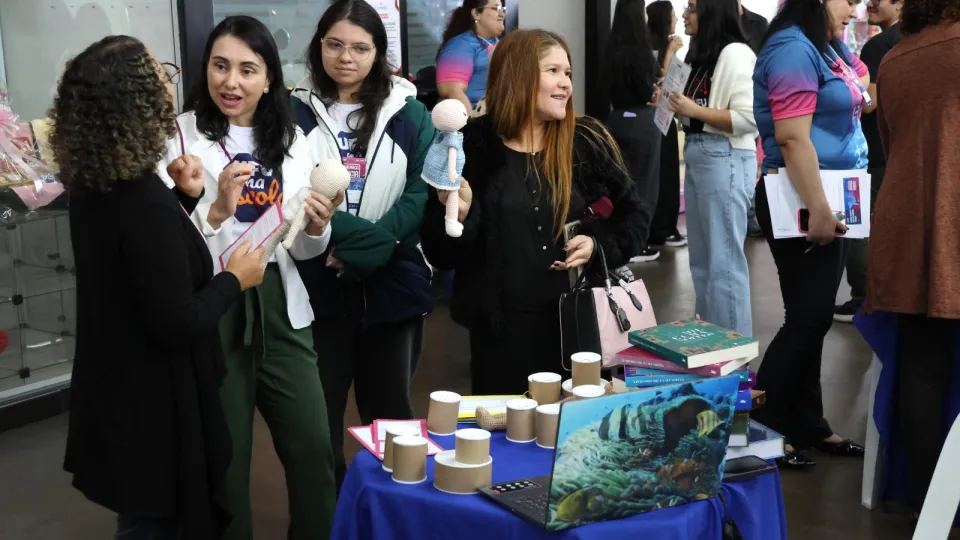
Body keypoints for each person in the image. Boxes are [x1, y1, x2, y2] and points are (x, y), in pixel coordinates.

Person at [58, 35, 265, 539]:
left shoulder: (96, 182)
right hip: (153, 407)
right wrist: (233, 279)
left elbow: (143, 266)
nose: (170, 82)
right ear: (136, 100)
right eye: (160, 75)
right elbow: (175, 319)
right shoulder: (139, 201)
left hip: (118, 390)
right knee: (154, 525)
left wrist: (186, 200)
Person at [158, 16, 340, 539]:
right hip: (212, 304)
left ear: (269, 79)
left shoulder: (291, 140)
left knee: (312, 448)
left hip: (282, 304)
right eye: (220, 66)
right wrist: (213, 212)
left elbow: (305, 246)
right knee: (226, 458)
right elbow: (165, 243)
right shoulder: (179, 136)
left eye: (247, 69)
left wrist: (319, 228)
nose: (230, 82)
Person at [420, 29, 648, 395]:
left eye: (568, 73)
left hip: (581, 327)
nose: (565, 84)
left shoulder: (586, 141)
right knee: (508, 439)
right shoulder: (471, 146)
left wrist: (597, 244)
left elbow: (635, 217)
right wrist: (457, 218)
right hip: (502, 336)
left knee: (578, 441)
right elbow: (441, 253)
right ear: (518, 74)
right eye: (553, 71)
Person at [290, 0, 436, 489]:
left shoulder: (411, 112)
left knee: (392, 418)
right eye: (334, 44)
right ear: (319, 46)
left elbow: (421, 193)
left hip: (392, 284)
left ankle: (399, 514)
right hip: (315, 284)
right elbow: (292, 195)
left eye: (360, 47)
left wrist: (372, 243)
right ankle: (332, 519)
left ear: (378, 53)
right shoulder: (291, 112)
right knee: (319, 419)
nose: (345, 57)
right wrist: (347, 238)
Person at [752, 0, 869, 469]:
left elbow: (867, 93)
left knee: (813, 316)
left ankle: (808, 423)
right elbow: (792, 138)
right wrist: (818, 207)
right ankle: (760, 429)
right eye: (846, 0)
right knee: (808, 317)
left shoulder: (827, 47)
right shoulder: (791, 50)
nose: (855, 6)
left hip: (830, 195)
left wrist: (842, 49)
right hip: (801, 199)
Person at [864, 0, 960, 514]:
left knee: (922, 367)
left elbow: (891, 143)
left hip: (908, 231)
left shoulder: (896, 60)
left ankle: (931, 503)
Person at [667, 0, 757, 337]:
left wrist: (693, 110)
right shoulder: (698, 56)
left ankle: (733, 357)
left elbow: (748, 119)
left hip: (725, 156)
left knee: (725, 265)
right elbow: (695, 112)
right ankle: (712, 345)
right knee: (703, 264)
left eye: (691, 8)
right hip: (701, 155)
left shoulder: (735, 54)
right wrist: (675, 106)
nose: (686, 15)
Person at [833, 0, 901, 323]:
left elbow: (869, 102)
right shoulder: (915, 41)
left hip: (872, 150)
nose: (868, 3)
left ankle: (862, 296)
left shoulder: (878, 45)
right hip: (896, 150)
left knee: (858, 225)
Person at [601, 0, 664, 264]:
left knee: (619, 185)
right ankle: (637, 244)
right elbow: (646, 92)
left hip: (615, 120)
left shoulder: (611, 47)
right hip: (641, 121)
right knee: (645, 186)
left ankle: (618, 241)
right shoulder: (641, 51)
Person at [647, 0, 687, 248]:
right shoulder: (654, 48)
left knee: (667, 173)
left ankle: (664, 226)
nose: (678, 18)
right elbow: (661, 81)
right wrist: (671, 54)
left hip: (666, 117)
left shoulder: (658, 45)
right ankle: (662, 227)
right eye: (673, 14)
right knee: (663, 174)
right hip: (658, 118)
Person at [436, 0, 506, 113]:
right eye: (495, 9)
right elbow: (452, 91)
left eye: (502, 9)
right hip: (478, 121)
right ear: (477, 14)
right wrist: (472, 126)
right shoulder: (460, 46)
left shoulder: (500, 44)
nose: (502, 14)